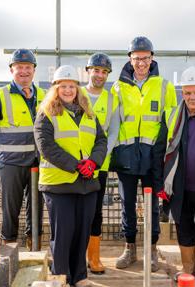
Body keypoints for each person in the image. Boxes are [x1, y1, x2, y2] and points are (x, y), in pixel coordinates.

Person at [34, 65, 107, 287]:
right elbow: (46, 147)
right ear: (56, 88)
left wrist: (93, 162)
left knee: (82, 233)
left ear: (77, 89)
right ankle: (60, 277)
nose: (68, 90)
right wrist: (76, 166)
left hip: (86, 184)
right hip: (59, 185)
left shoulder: (88, 113)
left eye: (72, 86)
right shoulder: (46, 113)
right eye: (63, 86)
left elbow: (101, 141)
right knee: (63, 234)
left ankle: (80, 277)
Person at [110, 36, 177, 271]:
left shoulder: (164, 86)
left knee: (152, 207)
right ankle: (129, 249)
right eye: (136, 58)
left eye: (145, 58)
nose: (141, 63)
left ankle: (151, 251)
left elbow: (171, 123)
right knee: (127, 205)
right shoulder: (118, 87)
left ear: (152, 58)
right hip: (126, 157)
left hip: (153, 158)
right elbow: (113, 124)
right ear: (129, 59)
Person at [152, 67, 195, 284]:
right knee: (183, 227)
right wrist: (159, 184)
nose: (193, 97)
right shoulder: (171, 115)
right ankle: (187, 266)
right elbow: (158, 151)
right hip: (179, 186)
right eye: (188, 93)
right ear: (182, 93)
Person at [0, 48, 44, 250]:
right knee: (10, 209)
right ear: (11, 70)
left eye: (28, 67)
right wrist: (0, 148)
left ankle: (35, 249)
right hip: (11, 163)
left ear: (34, 70)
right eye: (19, 67)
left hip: (37, 163)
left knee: (36, 209)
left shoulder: (43, 95)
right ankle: (10, 251)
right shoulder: (0, 95)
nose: (24, 71)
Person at [82, 53, 119, 274]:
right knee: (76, 210)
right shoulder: (76, 94)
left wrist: (97, 159)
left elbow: (113, 132)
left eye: (104, 72)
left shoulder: (112, 100)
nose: (100, 75)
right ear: (88, 71)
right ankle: (76, 256)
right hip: (75, 163)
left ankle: (94, 257)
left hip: (99, 165)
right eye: (96, 70)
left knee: (95, 211)